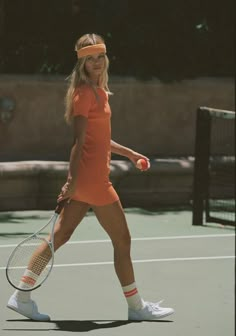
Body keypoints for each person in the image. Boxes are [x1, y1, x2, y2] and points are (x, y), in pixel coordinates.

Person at [7, 33, 174, 321]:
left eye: (99, 57)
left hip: (88, 180)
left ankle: (21, 296)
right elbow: (79, 141)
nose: (96, 63)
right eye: (89, 58)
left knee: (59, 236)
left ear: (105, 59)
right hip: (93, 181)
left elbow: (101, 139)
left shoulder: (98, 92)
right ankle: (137, 308)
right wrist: (71, 181)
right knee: (122, 240)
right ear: (81, 63)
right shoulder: (84, 94)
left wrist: (131, 154)